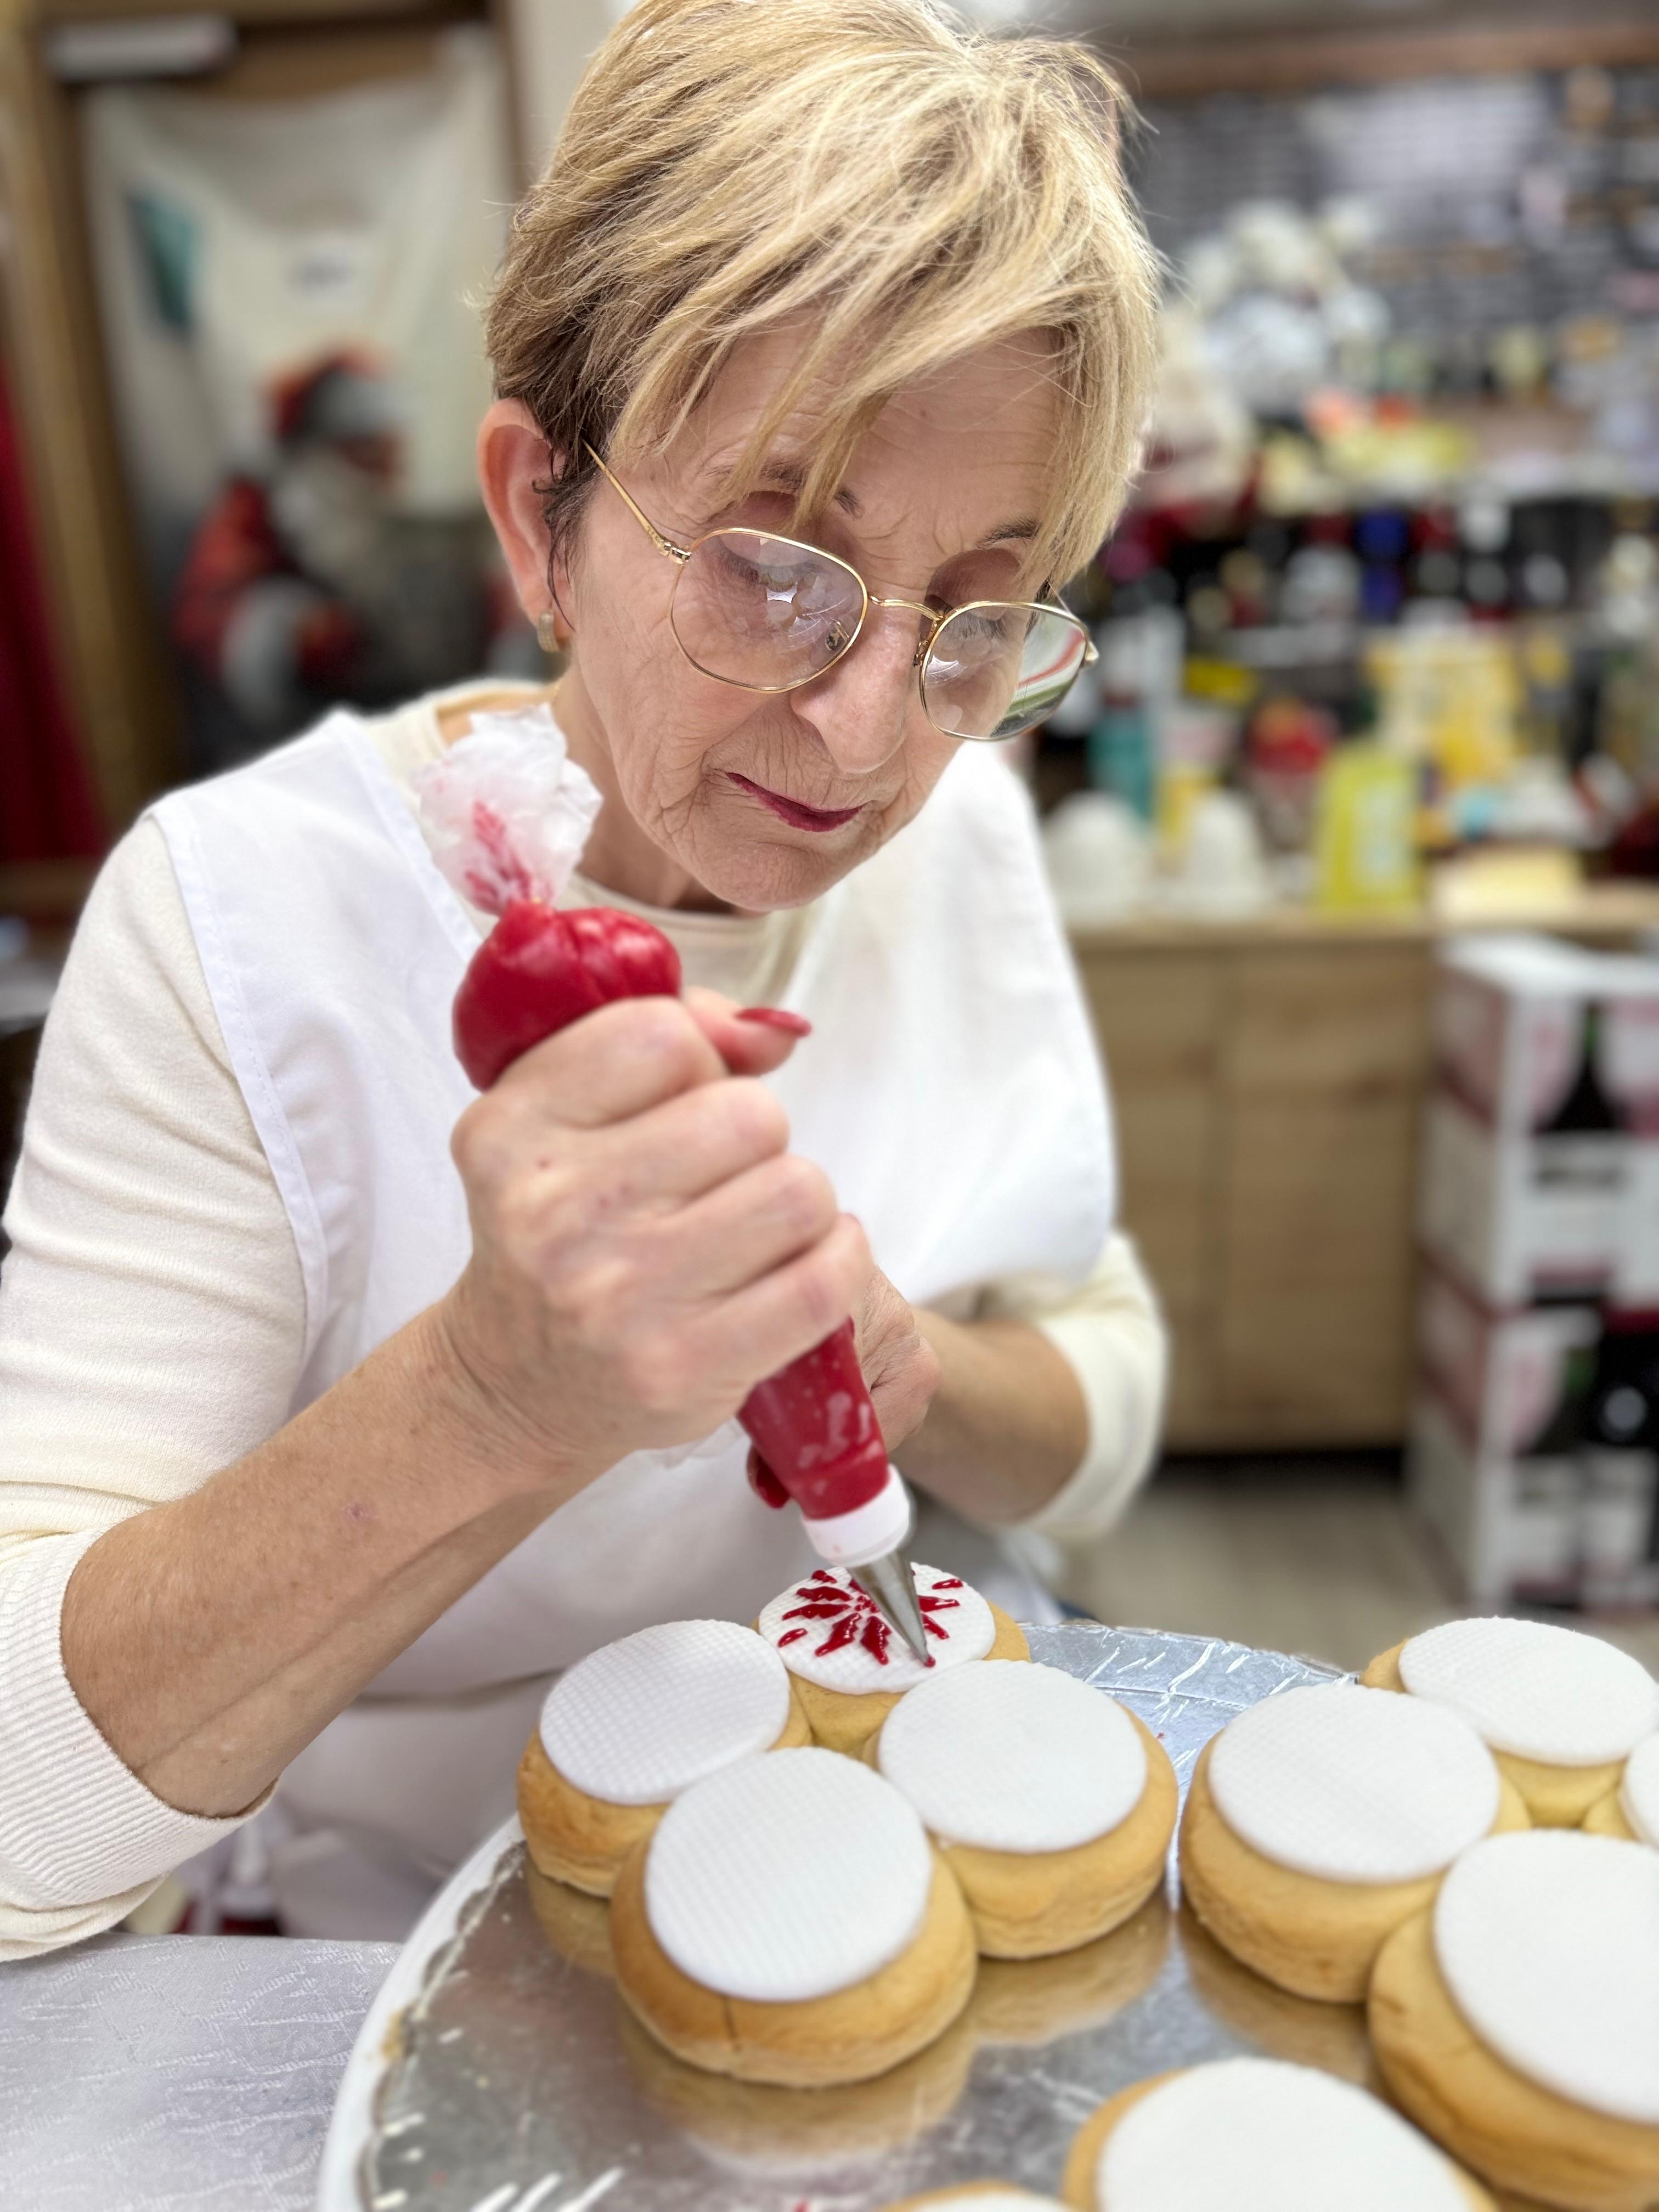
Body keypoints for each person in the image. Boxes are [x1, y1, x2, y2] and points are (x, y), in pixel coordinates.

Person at [0, 0, 1165, 1950]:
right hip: (414, 1938)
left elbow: (1107, 1385)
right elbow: (15, 1821)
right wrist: (491, 1395)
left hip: (887, 1860)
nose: (874, 735)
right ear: (544, 515)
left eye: (977, 612)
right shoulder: (241, 918)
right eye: (773, 564)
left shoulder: (962, 836)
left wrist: (906, 1369)